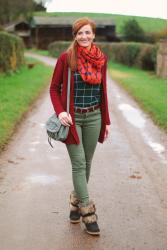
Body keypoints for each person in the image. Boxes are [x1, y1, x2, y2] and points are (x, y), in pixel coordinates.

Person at [50, 17, 110, 236]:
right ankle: (87, 211)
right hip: (72, 120)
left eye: (87, 32)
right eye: (79, 33)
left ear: (93, 34)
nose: (84, 36)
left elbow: (103, 92)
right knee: (79, 163)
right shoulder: (66, 58)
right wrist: (61, 111)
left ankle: (75, 202)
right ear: (74, 36)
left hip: (94, 116)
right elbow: (53, 88)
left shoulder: (101, 59)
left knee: (88, 162)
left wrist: (106, 121)